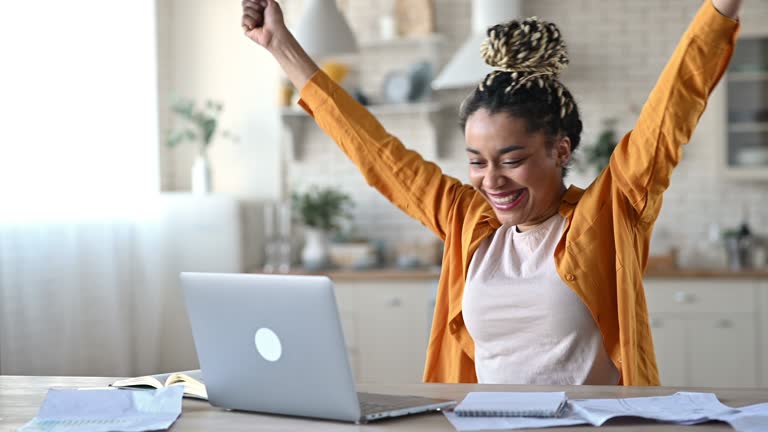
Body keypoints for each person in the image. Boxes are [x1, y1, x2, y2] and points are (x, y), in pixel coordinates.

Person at [241, 0, 742, 385]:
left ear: (560, 149)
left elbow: (669, 112)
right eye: (477, 162)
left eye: (513, 159)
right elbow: (375, 153)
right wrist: (279, 44)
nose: (492, 181)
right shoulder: (467, 219)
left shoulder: (607, 214)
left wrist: (722, 7)